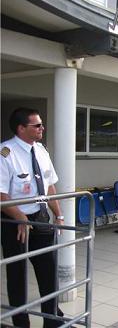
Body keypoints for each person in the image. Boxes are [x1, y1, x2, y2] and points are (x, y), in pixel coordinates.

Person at [1, 107, 65, 327]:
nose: (42, 128)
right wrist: (20, 217)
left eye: (41, 124)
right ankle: (21, 322)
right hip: (15, 222)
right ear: (21, 128)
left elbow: (49, 186)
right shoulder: (5, 153)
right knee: (17, 274)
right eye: (36, 125)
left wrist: (59, 215)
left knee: (49, 269)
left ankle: (52, 318)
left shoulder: (41, 150)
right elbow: (1, 193)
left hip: (40, 217)